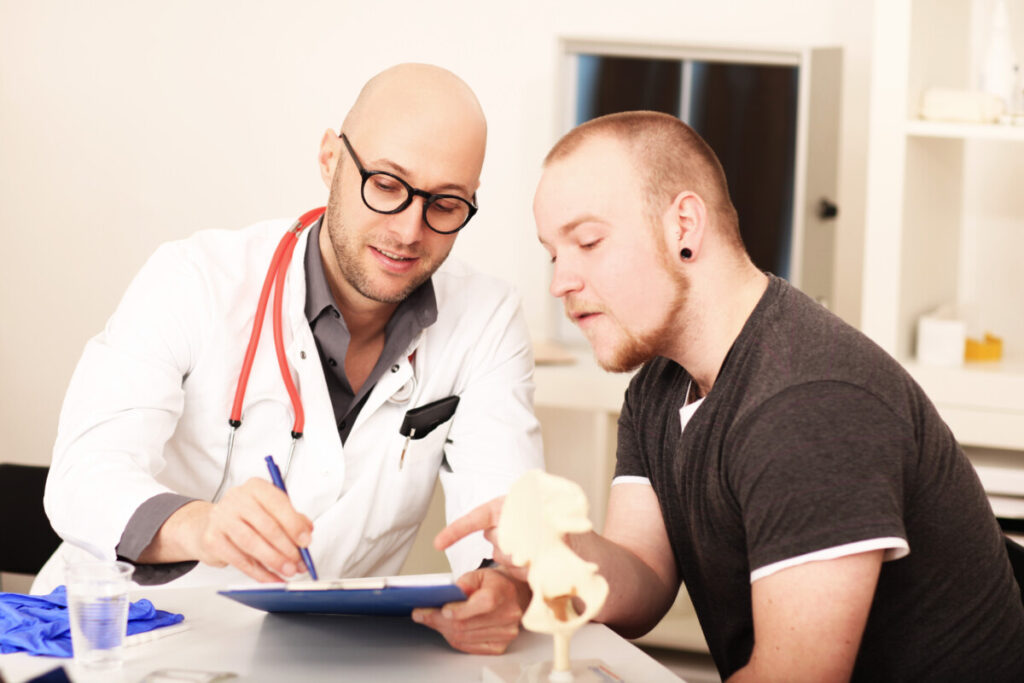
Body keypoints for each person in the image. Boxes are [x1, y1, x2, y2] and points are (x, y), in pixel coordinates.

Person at [433, 111, 1024, 679]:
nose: (560, 281)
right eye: (553, 254)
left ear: (684, 226)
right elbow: (643, 584)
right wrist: (558, 547)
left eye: (587, 242)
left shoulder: (808, 403)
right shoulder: (659, 387)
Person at [37, 63, 541, 654]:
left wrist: (503, 586)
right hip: (126, 638)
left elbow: (506, 518)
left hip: (319, 651)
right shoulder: (195, 279)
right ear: (330, 160)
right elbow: (83, 476)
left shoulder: (488, 318)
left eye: (447, 204)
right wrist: (202, 525)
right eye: (386, 184)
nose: (410, 230)